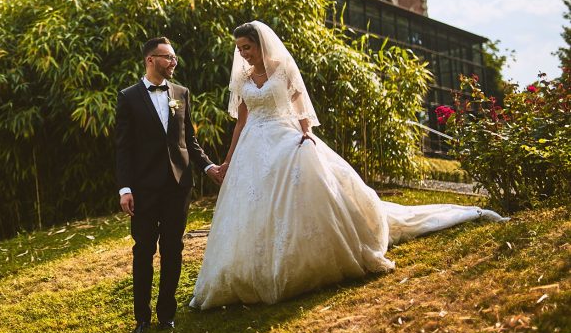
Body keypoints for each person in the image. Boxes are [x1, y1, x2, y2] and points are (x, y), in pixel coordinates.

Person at [190, 21, 506, 309]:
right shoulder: (244, 78)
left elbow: (301, 108)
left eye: (248, 47)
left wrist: (306, 134)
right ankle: (246, 270)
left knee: (300, 191)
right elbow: (241, 121)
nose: (244, 54)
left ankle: (305, 260)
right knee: (250, 209)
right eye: (240, 49)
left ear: (261, 44)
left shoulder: (283, 69)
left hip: (284, 138)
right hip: (251, 149)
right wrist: (228, 161)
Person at [116, 37, 222, 333]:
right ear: (151, 59)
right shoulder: (128, 97)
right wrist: (125, 188)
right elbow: (123, 148)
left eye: (174, 57)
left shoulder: (182, 93)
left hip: (178, 187)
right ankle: (141, 319)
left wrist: (208, 166)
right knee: (144, 251)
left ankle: (167, 315)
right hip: (144, 189)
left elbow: (190, 141)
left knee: (173, 249)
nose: (174, 62)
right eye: (168, 57)